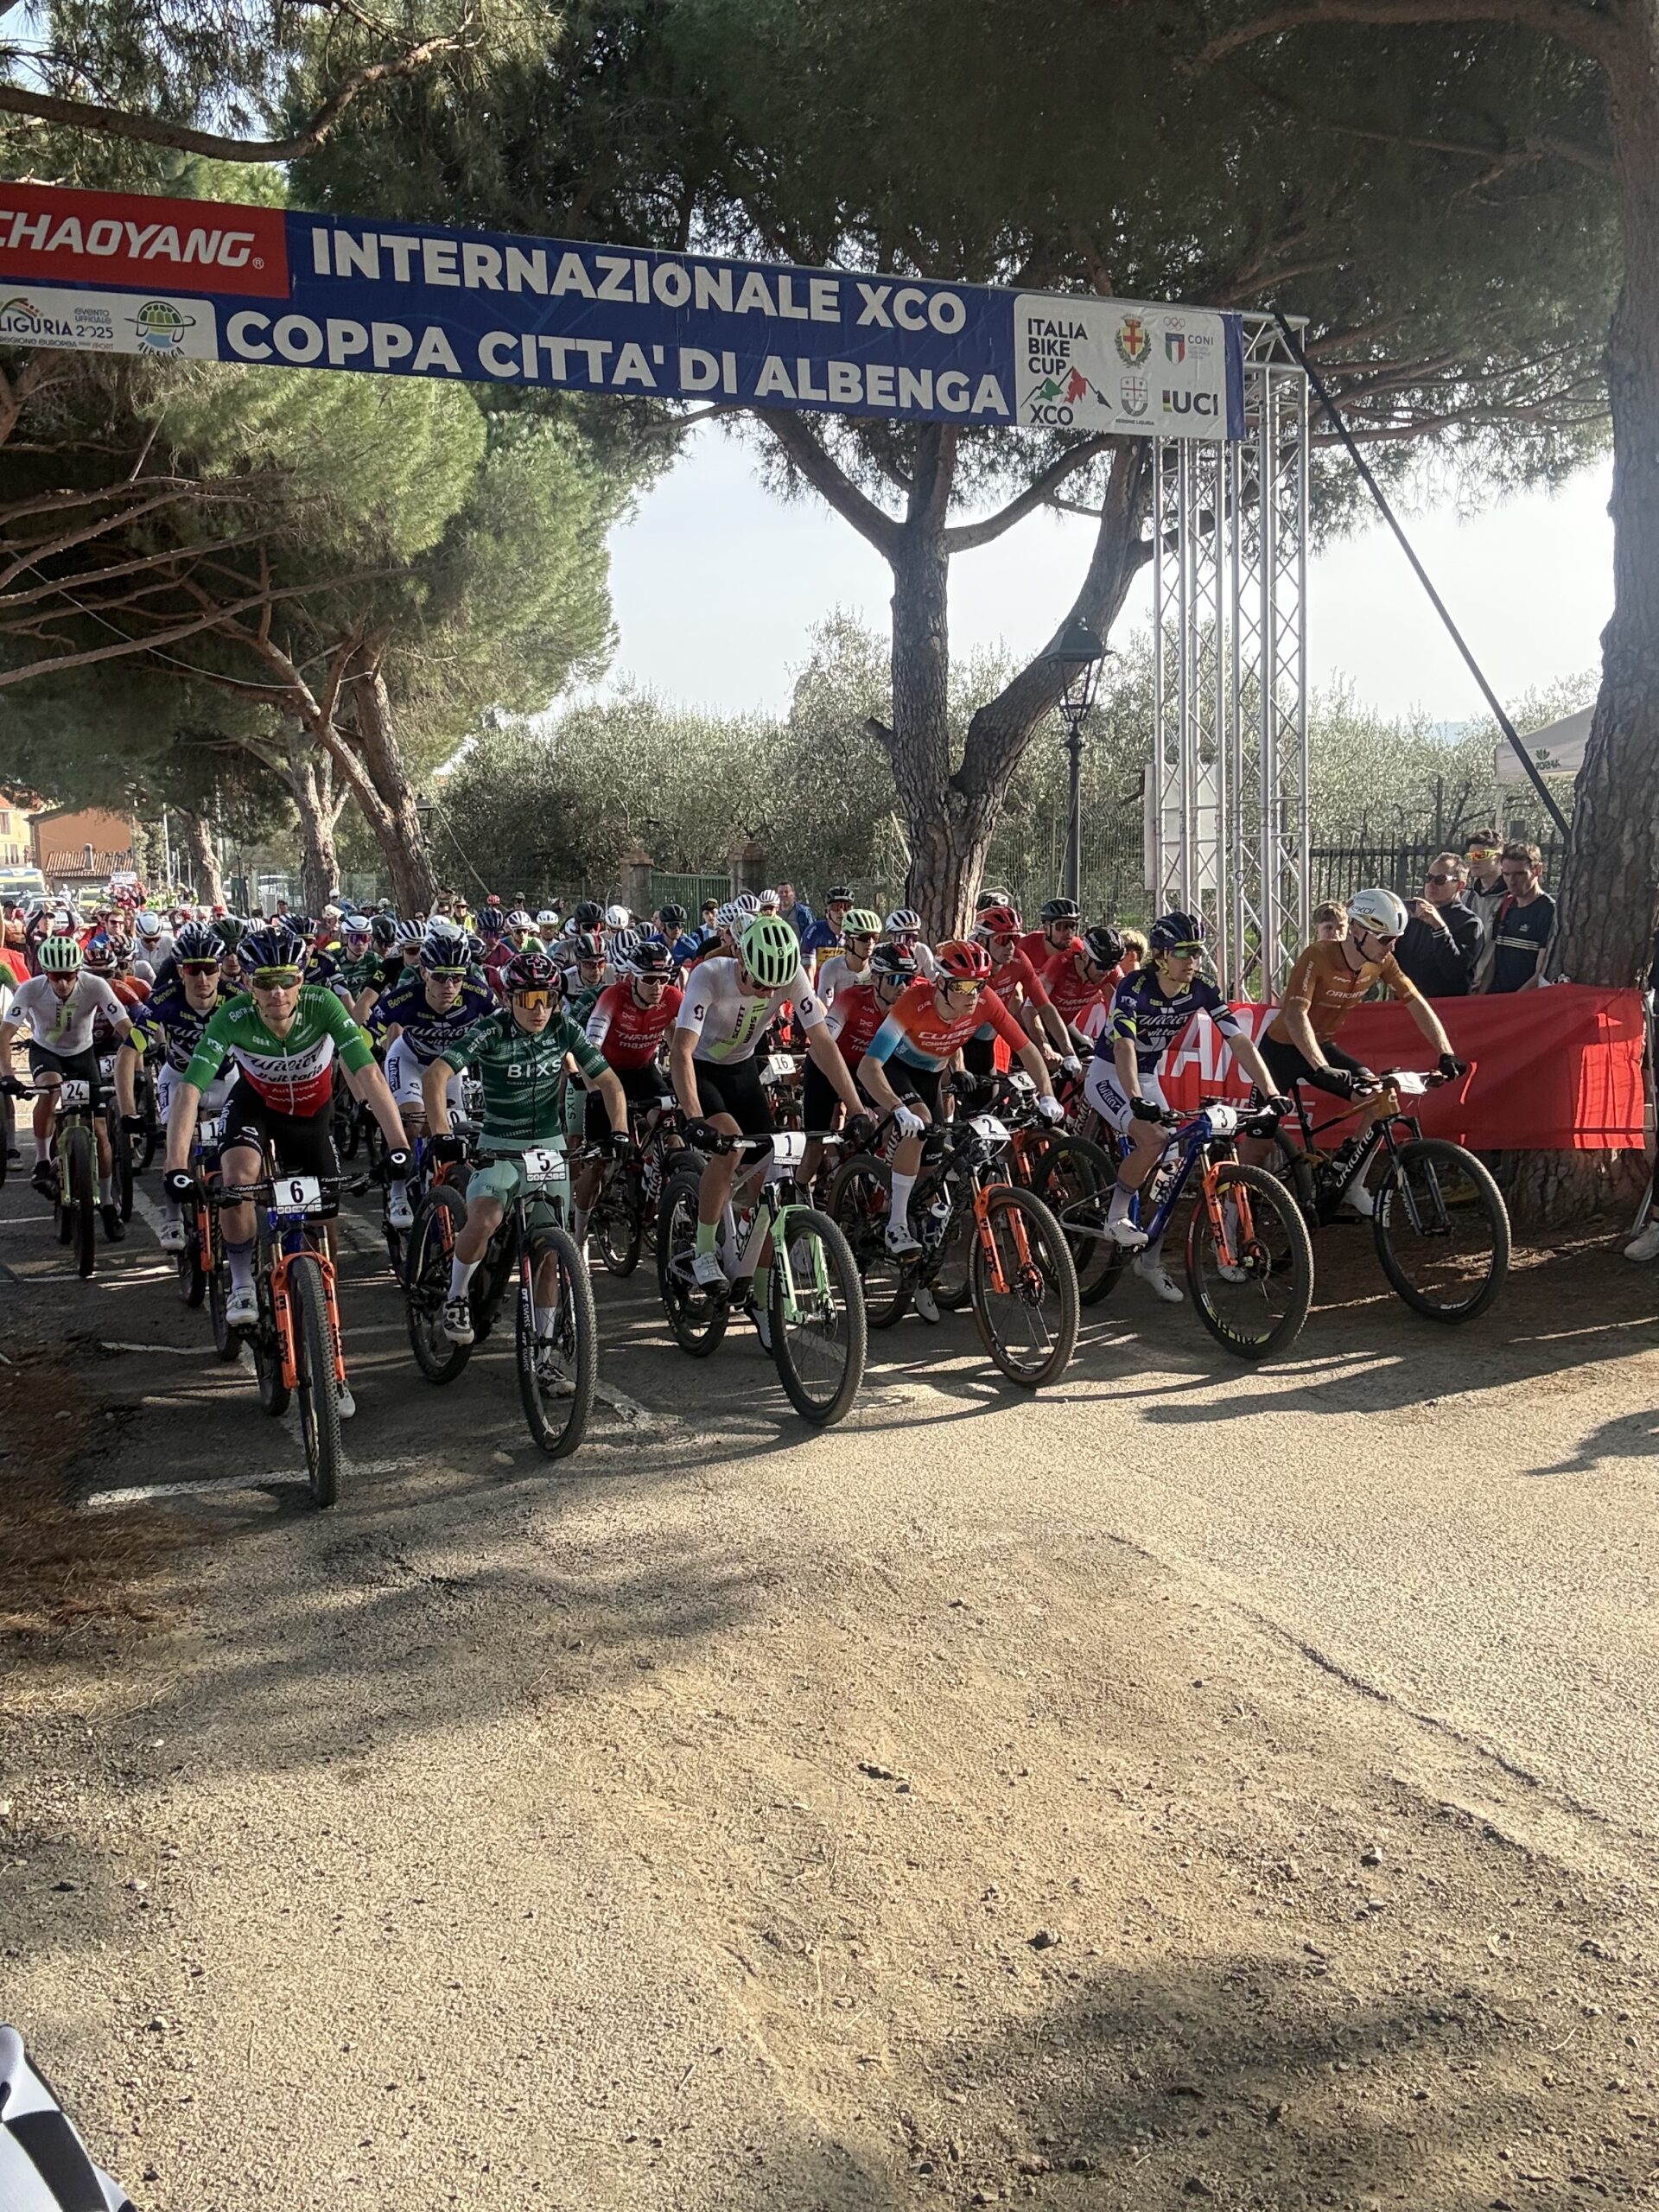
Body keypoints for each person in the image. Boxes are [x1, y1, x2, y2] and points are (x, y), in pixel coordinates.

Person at [162, 923, 410, 1401]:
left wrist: (397, 1142)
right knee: (238, 1180)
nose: (277, 993)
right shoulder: (232, 1017)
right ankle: (238, 1281)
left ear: (302, 979)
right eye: (263, 982)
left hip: (311, 1117)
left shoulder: (324, 1005)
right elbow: (190, 1089)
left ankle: (325, 1337)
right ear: (247, 983)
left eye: (287, 980)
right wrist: (175, 1164)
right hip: (255, 1109)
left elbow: (367, 1072)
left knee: (327, 1230)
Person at [421, 947, 628, 1344]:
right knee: (484, 1219)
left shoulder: (564, 1028)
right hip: (499, 1143)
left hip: (548, 1146)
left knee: (550, 1255)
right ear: (508, 999)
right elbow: (436, 1075)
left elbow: (609, 1082)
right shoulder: (492, 1029)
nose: (540, 1010)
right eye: (529, 1000)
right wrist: (442, 1136)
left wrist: (618, 1133)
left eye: (548, 999)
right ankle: (457, 1295)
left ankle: (546, 1355)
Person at [671, 913, 866, 1324]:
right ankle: (705, 1250)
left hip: (742, 1069)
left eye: (774, 987)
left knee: (771, 1180)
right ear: (741, 958)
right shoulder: (709, 975)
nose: (767, 992)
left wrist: (859, 1109)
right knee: (728, 1140)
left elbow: (824, 1045)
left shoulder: (790, 976)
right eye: (759, 983)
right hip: (703, 1069)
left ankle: (759, 1290)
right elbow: (682, 1051)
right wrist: (693, 1117)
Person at [1088, 912, 1285, 1303]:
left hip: (1146, 1077)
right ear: (1160, 955)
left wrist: (1271, 1090)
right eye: (1185, 952)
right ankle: (1117, 1215)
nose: (1194, 959)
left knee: (1174, 1166)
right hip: (1111, 1075)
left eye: (1198, 951)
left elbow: (1239, 1041)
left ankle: (1149, 1261)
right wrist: (1135, 1099)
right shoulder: (1134, 986)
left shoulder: (1202, 988)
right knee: (1153, 1138)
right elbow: (1124, 1046)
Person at [1251, 887, 1464, 1215]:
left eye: (1396, 939)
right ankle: (1230, 1215)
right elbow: (1294, 1015)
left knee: (1379, 1100)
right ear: (1359, 930)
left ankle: (1350, 1181)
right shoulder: (1318, 956)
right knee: (1259, 1145)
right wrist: (1320, 1066)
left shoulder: (1382, 962)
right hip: (1281, 1049)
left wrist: (1446, 1052)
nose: (1392, 947)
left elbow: (1416, 1003)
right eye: (1385, 939)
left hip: (1321, 1046)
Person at [859, 938, 1065, 1256]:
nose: (973, 995)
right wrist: (898, 1109)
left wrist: (1047, 1095)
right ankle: (895, 1225)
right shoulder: (913, 1001)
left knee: (930, 1169)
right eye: (964, 986)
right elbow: (868, 1067)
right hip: (897, 1070)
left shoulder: (986, 1001)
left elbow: (1027, 1049)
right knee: (920, 1122)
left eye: (979, 985)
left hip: (931, 1078)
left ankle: (921, 1258)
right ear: (941, 983)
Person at [0, 934, 135, 1233]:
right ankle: (42, 1160)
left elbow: (123, 1024)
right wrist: (7, 1074)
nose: (62, 984)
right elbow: (6, 1032)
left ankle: (108, 1203)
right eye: (55, 977)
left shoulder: (96, 985)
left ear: (78, 971)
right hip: (46, 1052)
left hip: (83, 1054)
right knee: (50, 1088)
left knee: (101, 1131)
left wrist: (141, 1051)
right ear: (45, 973)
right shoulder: (31, 989)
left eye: (68, 976)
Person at [115, 921, 232, 1250]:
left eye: (210, 969)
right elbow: (128, 1052)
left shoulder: (237, 997)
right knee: (175, 1138)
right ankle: (171, 1219)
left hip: (225, 1077)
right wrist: (127, 1110)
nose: (202, 979)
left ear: (219, 969)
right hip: (178, 1077)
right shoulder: (164, 1000)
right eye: (193, 970)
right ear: (181, 971)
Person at [376, 919, 494, 1223]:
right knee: (413, 1122)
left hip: (449, 1068)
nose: (449, 986)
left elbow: (503, 1031)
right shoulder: (404, 1000)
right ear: (425, 972)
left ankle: (447, 1187)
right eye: (440, 977)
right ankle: (398, 1193)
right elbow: (362, 1037)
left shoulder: (478, 994)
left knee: (456, 1132)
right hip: (409, 1060)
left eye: (456, 977)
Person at [569, 938, 683, 1248]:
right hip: (605, 1072)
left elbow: (681, 1037)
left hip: (643, 1071)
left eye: (663, 979)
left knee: (671, 1127)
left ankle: (669, 1190)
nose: (658, 987)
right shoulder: (613, 997)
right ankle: (579, 1235)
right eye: (649, 980)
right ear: (632, 977)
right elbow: (588, 1048)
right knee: (599, 1161)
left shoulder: (672, 997)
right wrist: (594, 1088)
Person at [965, 903, 1076, 1077]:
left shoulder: (1019, 960)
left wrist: (1069, 1054)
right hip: (954, 1040)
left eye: (1015, 939)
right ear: (981, 940)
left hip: (985, 1038)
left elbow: (1045, 1008)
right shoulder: (966, 967)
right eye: (1003, 939)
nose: (1010, 946)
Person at [1395, 856, 1482, 997]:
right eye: (1428, 878)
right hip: (1407, 1002)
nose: (1431, 884)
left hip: (1446, 1007)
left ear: (1460, 885)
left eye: (1440, 880)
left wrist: (1439, 927)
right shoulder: (1413, 916)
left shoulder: (1469, 923)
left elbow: (1455, 971)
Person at [1475, 841, 1554, 993]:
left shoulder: (1548, 911)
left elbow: (1541, 972)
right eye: (1506, 874)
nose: (1512, 881)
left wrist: (1514, 1002)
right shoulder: (1507, 904)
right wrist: (1481, 996)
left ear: (1538, 870)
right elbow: (1494, 960)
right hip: (1496, 997)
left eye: (1520, 874)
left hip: (1523, 1004)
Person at [1036, 924, 1126, 1052]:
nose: (1105, 972)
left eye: (1112, 966)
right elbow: (1030, 1011)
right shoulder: (1059, 965)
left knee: (1087, 1057)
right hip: (1037, 1027)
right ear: (1084, 955)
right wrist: (1043, 1045)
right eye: (1101, 965)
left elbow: (1128, 996)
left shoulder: (1110, 970)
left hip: (1064, 1026)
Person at [815, 908, 882, 1001]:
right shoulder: (831, 967)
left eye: (875, 937)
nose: (870, 942)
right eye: (864, 937)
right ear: (848, 940)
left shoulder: (879, 969)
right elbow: (825, 1008)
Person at [1016, 897, 1082, 973]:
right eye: (1061, 926)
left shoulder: (1078, 949)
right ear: (1046, 928)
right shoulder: (1025, 946)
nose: (1069, 931)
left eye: (1073, 926)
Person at [1461, 829, 1507, 937]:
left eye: (1481, 855)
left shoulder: (1512, 897)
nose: (1474, 861)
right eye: (1470, 856)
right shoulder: (1468, 899)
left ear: (1499, 858)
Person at [799, 887, 851, 961]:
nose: (841, 912)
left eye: (846, 907)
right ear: (827, 912)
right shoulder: (815, 930)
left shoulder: (856, 934)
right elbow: (808, 968)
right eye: (836, 907)